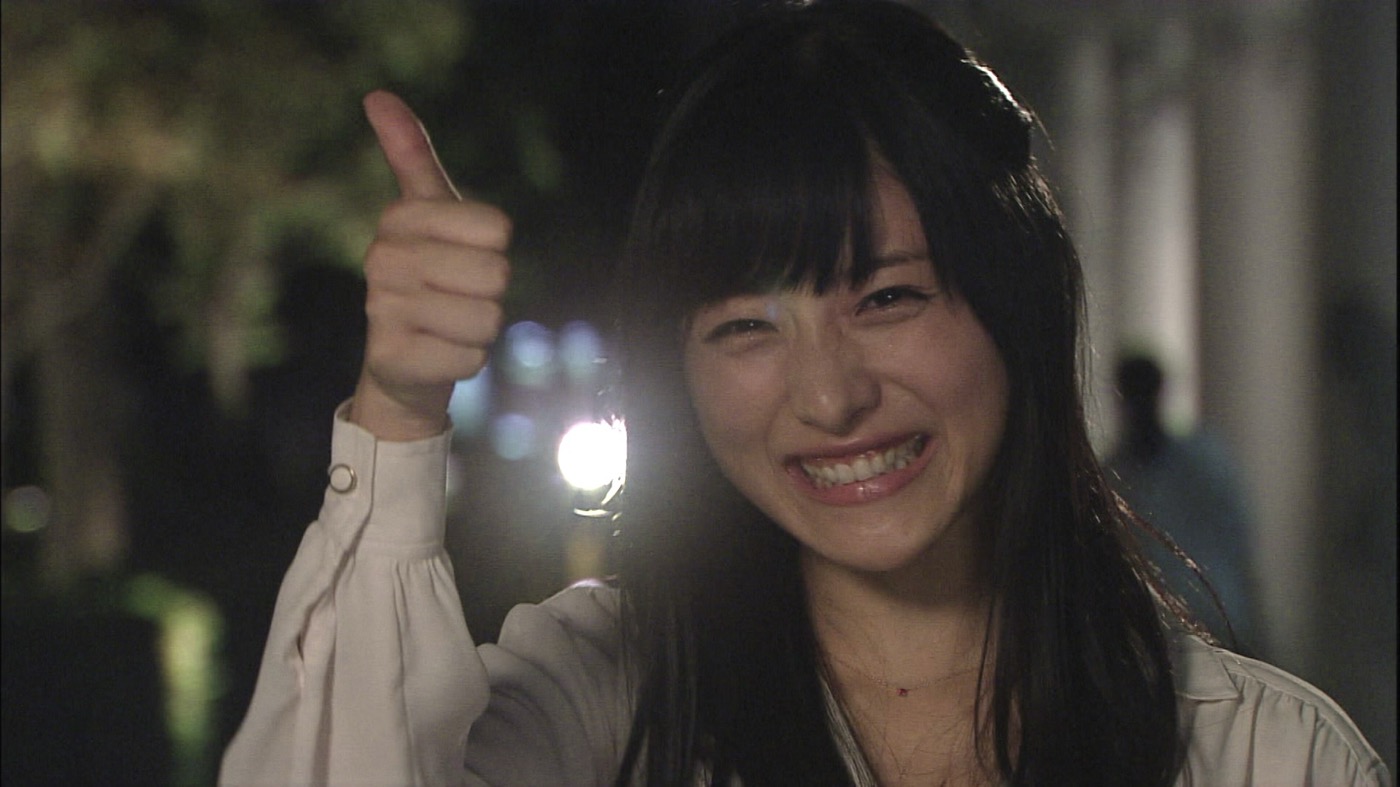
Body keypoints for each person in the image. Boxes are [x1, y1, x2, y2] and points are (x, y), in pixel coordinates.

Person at [220, 2, 1390, 785]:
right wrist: (398, 413)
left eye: (885, 297)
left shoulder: (1262, 758)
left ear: (1018, 304)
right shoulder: (607, 702)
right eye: (744, 326)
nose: (828, 399)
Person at [1104, 353, 1261, 655]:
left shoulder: (1204, 463)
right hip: (1159, 636)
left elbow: (1236, 547)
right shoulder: (1114, 478)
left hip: (1216, 624)